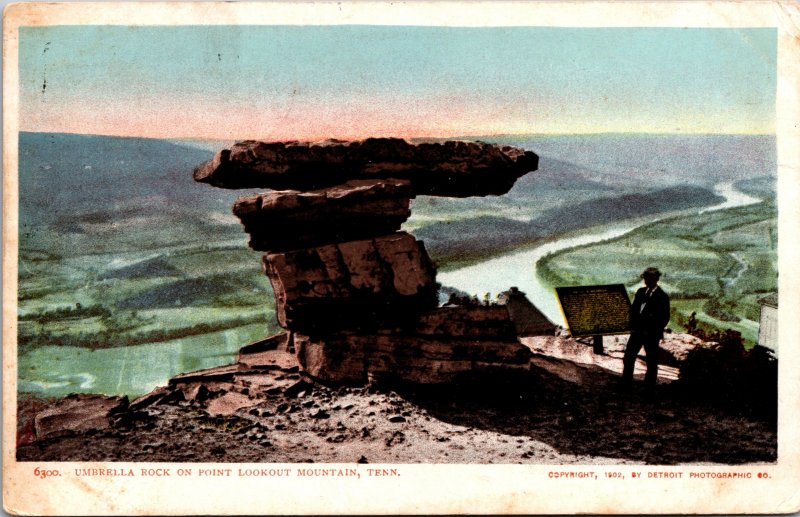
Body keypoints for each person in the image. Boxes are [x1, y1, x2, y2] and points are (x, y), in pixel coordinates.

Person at [622, 267, 670, 390]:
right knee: (628, 357)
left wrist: (651, 330)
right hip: (637, 332)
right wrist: (633, 326)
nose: (646, 280)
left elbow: (664, 318)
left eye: (650, 277)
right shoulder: (640, 292)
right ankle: (626, 384)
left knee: (651, 361)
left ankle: (649, 388)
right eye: (645, 277)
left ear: (656, 279)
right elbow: (633, 311)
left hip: (651, 335)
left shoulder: (662, 297)